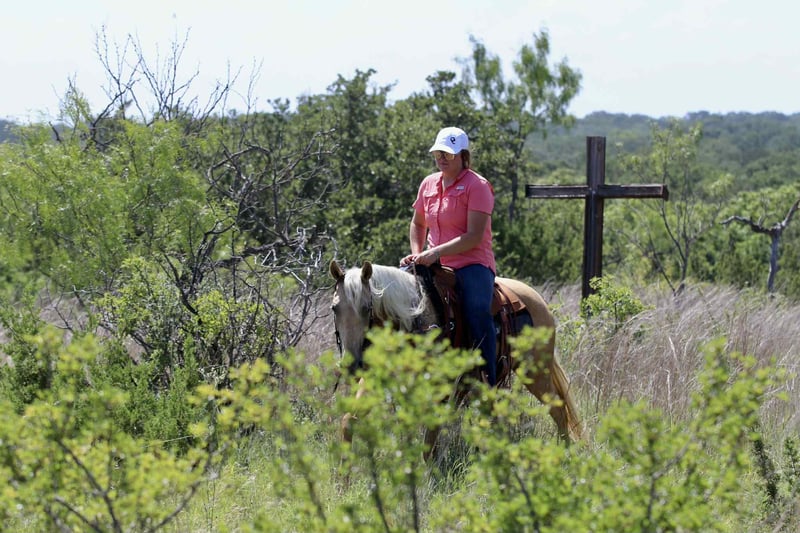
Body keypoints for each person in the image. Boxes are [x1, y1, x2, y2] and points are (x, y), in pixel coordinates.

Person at [400, 126, 498, 386]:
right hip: (432, 262)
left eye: (448, 154)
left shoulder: (477, 186)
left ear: (463, 155)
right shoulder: (428, 184)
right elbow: (418, 223)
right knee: (393, 300)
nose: (442, 158)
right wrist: (417, 255)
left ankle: (489, 380)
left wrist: (435, 252)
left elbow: (474, 236)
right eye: (438, 153)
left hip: (471, 264)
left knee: (477, 309)